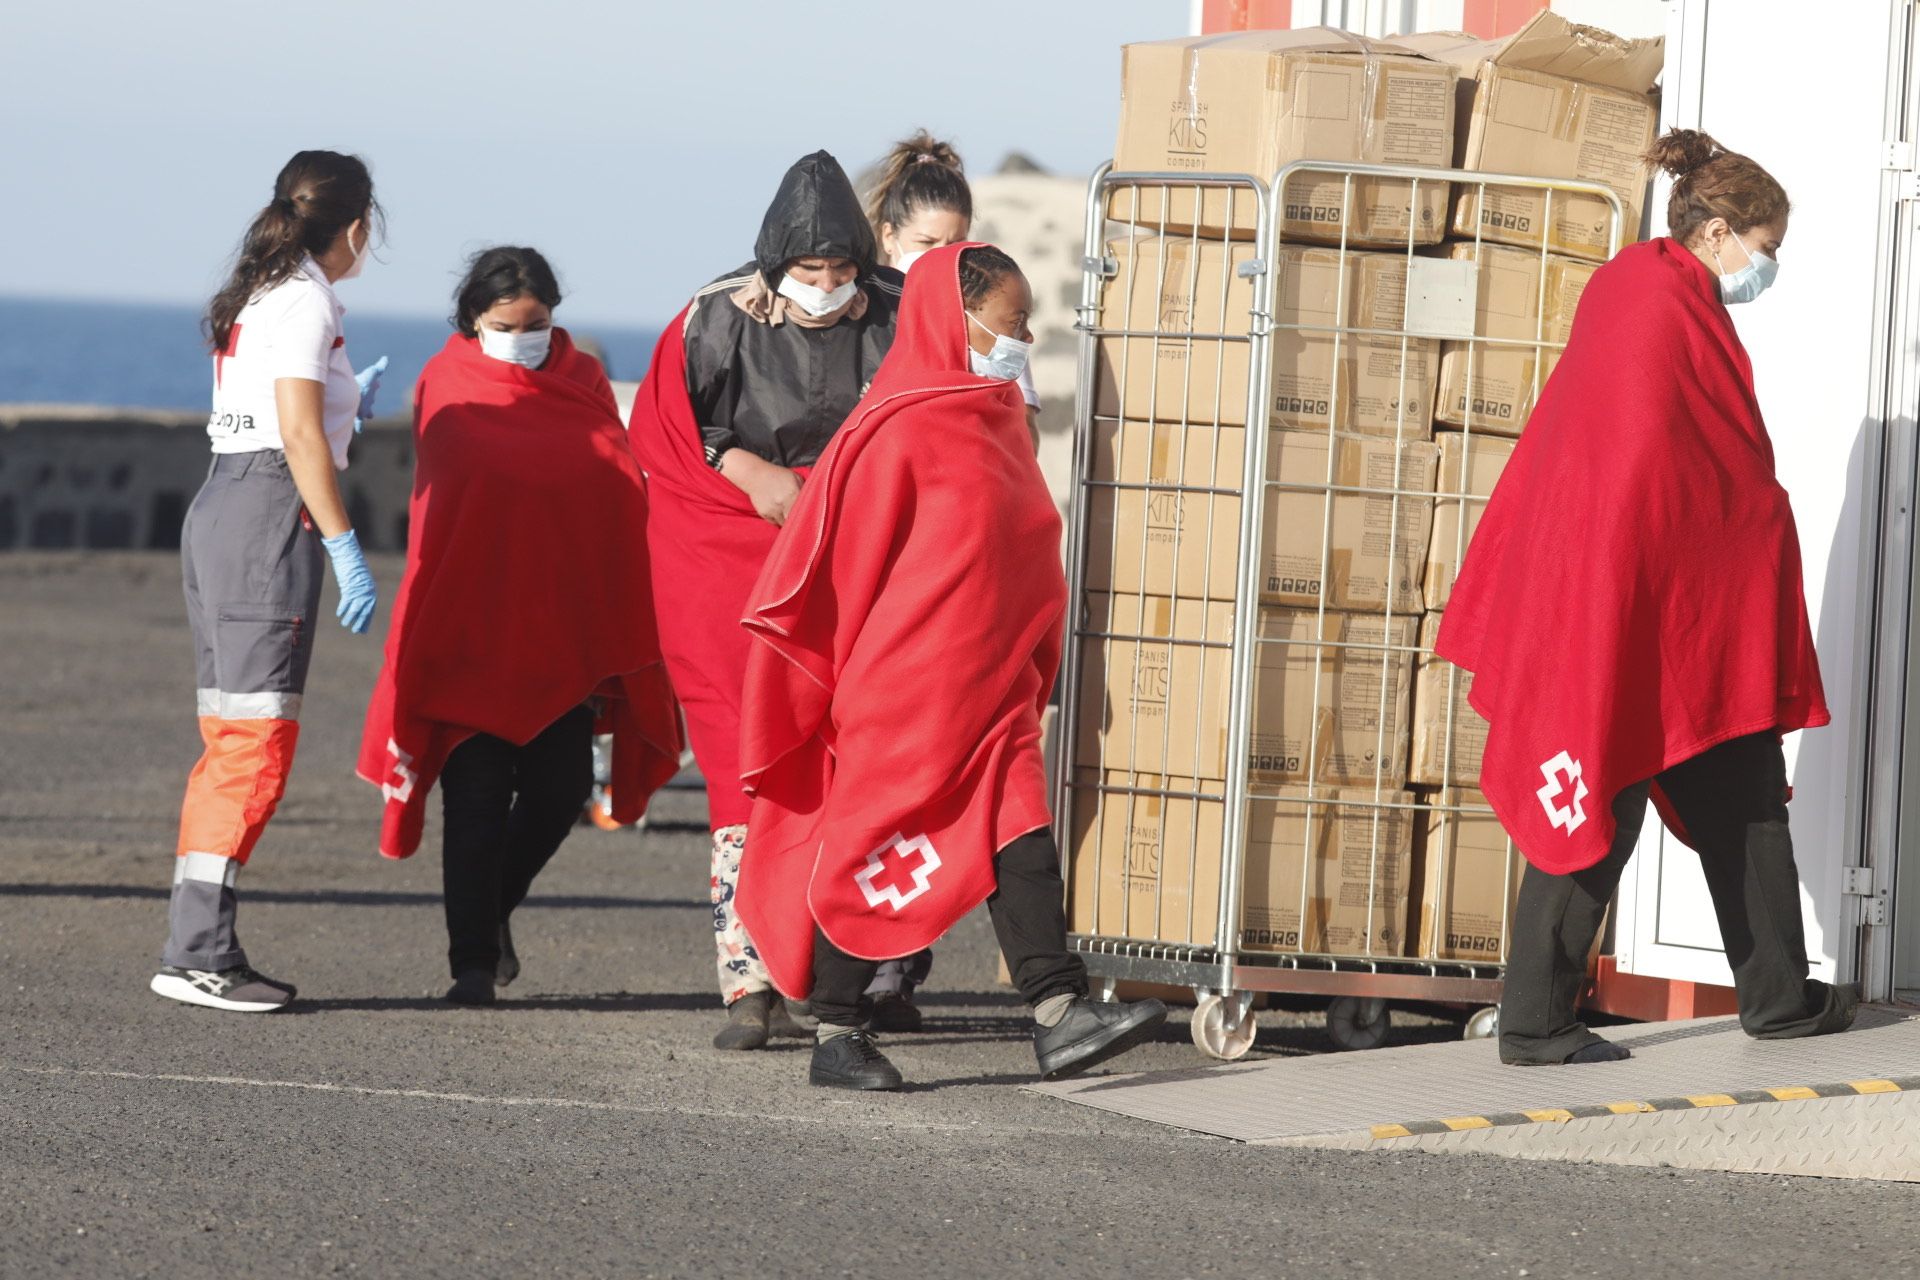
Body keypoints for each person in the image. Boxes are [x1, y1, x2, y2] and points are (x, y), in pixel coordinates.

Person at [1436, 129, 1861, 1067]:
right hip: (1629, 610)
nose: (1768, 268)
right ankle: (1535, 1020)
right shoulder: (1658, 307)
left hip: (1672, 609)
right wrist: (1752, 518)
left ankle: (1780, 997)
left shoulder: (1642, 292)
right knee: (1598, 786)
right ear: (1717, 233)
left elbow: (1671, 459)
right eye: (1766, 247)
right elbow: (1658, 466)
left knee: (1744, 795)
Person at [734, 243, 1168, 1091]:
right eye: (1011, 322)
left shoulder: (998, 412)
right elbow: (837, 564)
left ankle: (1057, 1010)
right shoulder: (892, 427)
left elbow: (1021, 540)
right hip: (907, 689)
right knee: (872, 850)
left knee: (1021, 835)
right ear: (953, 316)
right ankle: (836, 1029)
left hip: (993, 680)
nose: (1024, 336)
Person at [629, 151, 903, 1050]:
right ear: (773, 263)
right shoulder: (712, 318)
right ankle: (747, 981)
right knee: (741, 768)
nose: (826, 288)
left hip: (855, 562)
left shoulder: (900, 314)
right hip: (733, 556)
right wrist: (750, 474)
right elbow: (670, 433)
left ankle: (831, 981)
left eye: (841, 271)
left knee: (844, 767)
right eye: (808, 271)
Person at [357, 247, 681, 1006]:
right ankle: (470, 964)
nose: (523, 335)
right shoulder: (447, 381)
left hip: (560, 626)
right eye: (506, 325)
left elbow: (613, 484)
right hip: (470, 621)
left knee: (561, 791)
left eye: (537, 323)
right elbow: (449, 501)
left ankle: (492, 912)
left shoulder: (584, 381)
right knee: (473, 799)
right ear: (474, 319)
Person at [152, 150, 388, 1012]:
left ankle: (200, 945)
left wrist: (343, 403)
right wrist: (343, 542)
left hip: (221, 504)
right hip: (264, 513)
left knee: (229, 738)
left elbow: (272, 407)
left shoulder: (259, 289)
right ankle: (196, 954)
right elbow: (294, 433)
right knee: (254, 744)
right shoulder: (307, 297)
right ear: (357, 227)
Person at [865, 130, 1042, 449]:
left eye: (955, 244)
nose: (939, 256)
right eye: (926, 242)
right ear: (889, 236)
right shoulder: (862, 311)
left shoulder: (989, 319)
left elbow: (1024, 427)